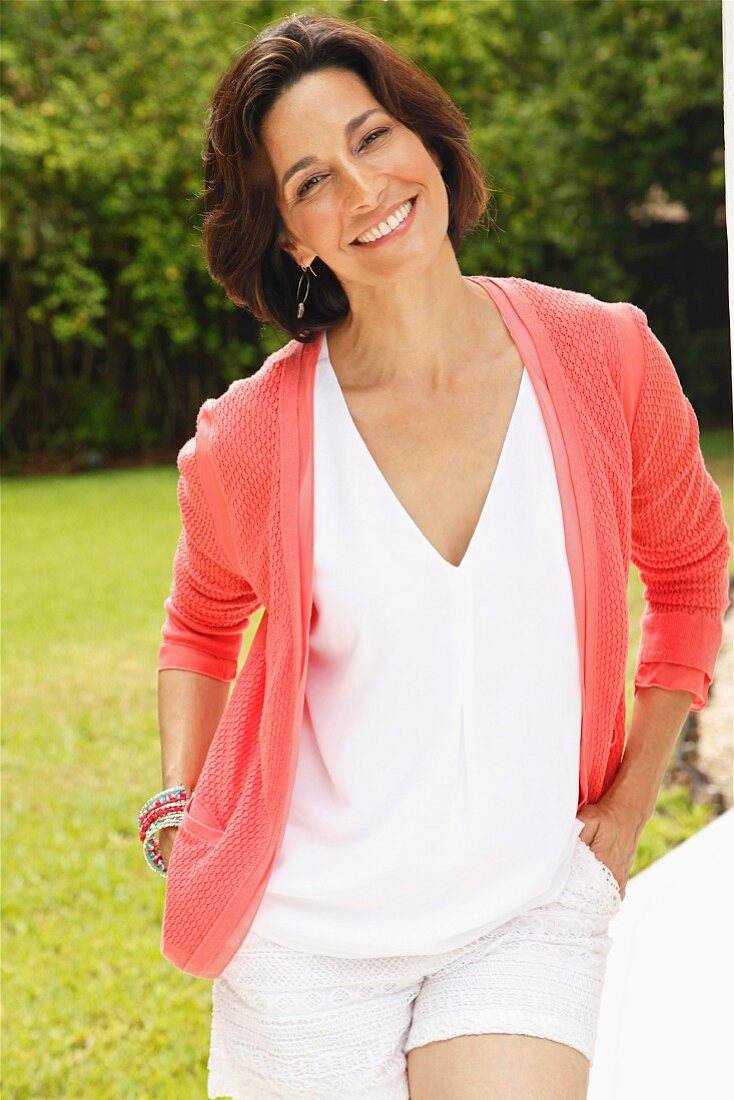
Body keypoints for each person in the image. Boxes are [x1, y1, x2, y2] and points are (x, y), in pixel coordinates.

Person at [146, 11, 731, 1100]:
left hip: (523, 905)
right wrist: (177, 815)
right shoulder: (253, 437)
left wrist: (624, 806)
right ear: (289, 237)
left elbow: (692, 576)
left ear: (425, 140)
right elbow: (199, 622)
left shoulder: (603, 356)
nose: (363, 190)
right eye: (311, 179)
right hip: (307, 937)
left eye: (373, 138)